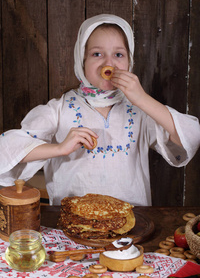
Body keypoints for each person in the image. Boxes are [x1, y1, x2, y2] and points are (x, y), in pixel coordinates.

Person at [0, 14, 199, 206]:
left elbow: (190, 137)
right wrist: (59, 148)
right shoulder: (59, 110)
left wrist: (142, 99)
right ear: (82, 61)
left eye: (118, 54)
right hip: (73, 226)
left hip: (131, 224)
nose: (108, 63)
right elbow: (6, 149)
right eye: (97, 54)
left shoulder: (140, 111)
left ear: (129, 62)